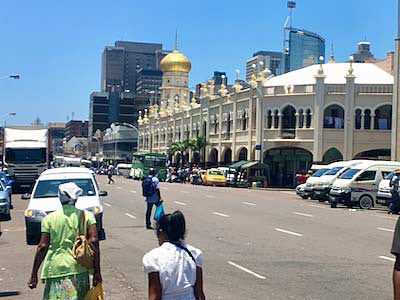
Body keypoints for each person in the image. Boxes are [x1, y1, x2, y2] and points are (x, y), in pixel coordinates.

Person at [28, 182, 102, 299]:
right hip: (79, 269)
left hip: (56, 269)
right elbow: (94, 241)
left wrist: (34, 274)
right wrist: (97, 271)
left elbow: (42, 246)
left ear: (60, 197)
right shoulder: (87, 216)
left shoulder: (49, 219)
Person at [143, 211, 206, 300]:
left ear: (160, 232)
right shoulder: (194, 253)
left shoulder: (153, 257)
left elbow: (155, 295)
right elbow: (199, 292)